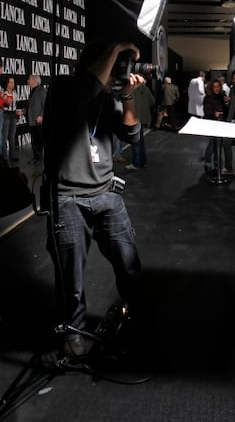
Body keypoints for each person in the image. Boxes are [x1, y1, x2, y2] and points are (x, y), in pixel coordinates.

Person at [42, 41, 145, 357]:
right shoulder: (64, 87)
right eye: (115, 67)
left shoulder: (107, 99)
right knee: (71, 277)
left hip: (106, 195)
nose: (119, 74)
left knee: (129, 266)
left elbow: (132, 134)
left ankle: (138, 319)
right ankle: (73, 332)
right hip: (69, 198)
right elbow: (85, 90)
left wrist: (127, 97)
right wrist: (114, 48)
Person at [126, 80, 155, 170]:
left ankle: (137, 163)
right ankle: (143, 161)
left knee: (136, 141)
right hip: (144, 117)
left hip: (135, 117)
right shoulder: (146, 89)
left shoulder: (131, 90)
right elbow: (152, 102)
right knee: (141, 140)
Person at [202, 79, 226, 174]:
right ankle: (207, 163)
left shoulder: (222, 96)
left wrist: (227, 102)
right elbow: (206, 111)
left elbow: (226, 108)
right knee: (212, 143)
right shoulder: (208, 98)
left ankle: (218, 163)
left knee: (218, 144)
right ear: (211, 88)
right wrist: (214, 113)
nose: (216, 88)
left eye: (218, 86)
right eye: (214, 87)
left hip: (221, 122)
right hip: (211, 123)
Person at [26, 74, 47, 164]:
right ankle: (37, 158)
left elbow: (46, 105)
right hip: (33, 121)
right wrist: (24, 112)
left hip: (40, 122)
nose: (27, 81)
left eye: (29, 79)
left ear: (35, 81)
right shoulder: (33, 91)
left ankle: (48, 159)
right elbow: (32, 106)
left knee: (43, 140)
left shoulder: (42, 91)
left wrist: (42, 116)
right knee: (35, 142)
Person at [1, 76, 19, 162]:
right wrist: (5, 104)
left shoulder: (15, 93)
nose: (13, 84)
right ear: (7, 83)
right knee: (4, 136)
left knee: (12, 136)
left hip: (14, 114)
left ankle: (13, 155)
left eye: (13, 82)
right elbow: (2, 106)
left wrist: (17, 112)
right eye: (11, 82)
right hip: (6, 114)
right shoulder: (3, 93)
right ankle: (4, 157)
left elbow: (16, 105)